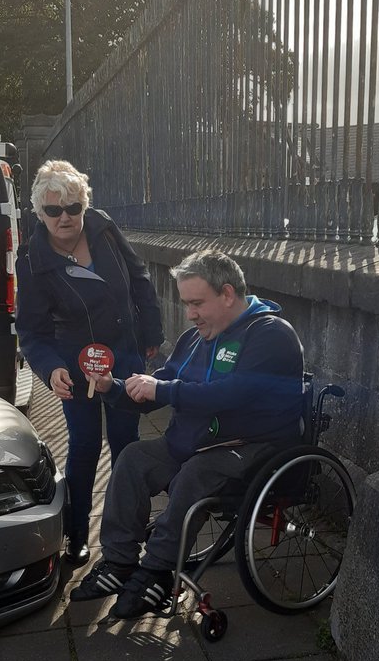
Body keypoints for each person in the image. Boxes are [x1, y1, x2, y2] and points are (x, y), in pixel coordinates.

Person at [70, 248, 305, 619]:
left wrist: (161, 390)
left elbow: (232, 394)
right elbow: (162, 381)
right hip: (195, 443)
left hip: (252, 448)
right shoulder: (197, 337)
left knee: (195, 475)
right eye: (186, 303)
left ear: (228, 294)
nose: (190, 314)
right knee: (133, 458)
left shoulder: (271, 335)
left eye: (198, 303)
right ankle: (118, 563)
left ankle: (157, 572)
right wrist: (113, 387)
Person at [15, 159, 163, 566]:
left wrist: (152, 333)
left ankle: (127, 534)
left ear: (85, 206)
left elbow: (139, 279)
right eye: (53, 210)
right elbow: (31, 332)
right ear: (39, 213)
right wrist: (50, 369)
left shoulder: (102, 228)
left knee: (125, 445)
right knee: (82, 447)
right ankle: (77, 535)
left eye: (73, 207)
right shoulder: (31, 261)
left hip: (125, 357)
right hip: (75, 367)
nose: (65, 218)